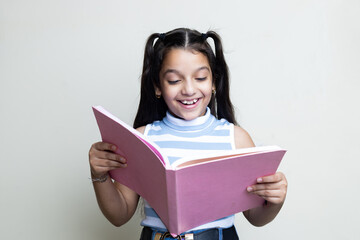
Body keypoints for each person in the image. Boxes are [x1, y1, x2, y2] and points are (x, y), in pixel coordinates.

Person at [89, 28, 287, 240]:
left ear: (213, 82)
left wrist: (275, 201)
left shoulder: (236, 139)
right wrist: (98, 175)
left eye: (200, 77)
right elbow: (119, 215)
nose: (189, 90)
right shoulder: (141, 138)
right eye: (174, 80)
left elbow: (255, 217)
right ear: (157, 86)